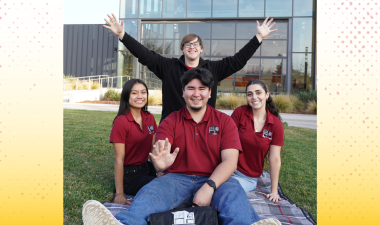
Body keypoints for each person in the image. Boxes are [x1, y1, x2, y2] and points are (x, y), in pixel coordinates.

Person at [82, 68, 281, 225]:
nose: (196, 94)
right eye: (191, 88)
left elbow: (231, 161)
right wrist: (161, 164)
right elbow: (160, 152)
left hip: (214, 177)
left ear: (209, 92)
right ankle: (123, 223)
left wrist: (210, 186)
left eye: (202, 89)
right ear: (183, 92)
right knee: (151, 192)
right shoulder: (171, 121)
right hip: (176, 178)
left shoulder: (224, 121)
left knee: (234, 194)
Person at [103, 13, 277, 122]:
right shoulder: (168, 66)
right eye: (187, 44)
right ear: (182, 48)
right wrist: (122, 35)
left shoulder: (212, 69)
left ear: (201, 48)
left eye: (196, 44)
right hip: (173, 127)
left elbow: (238, 60)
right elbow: (144, 54)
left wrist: (258, 38)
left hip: (203, 127)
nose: (192, 46)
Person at [230, 79, 284, 203]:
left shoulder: (275, 125)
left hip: (247, 177)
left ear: (267, 94)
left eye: (258, 92)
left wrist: (274, 191)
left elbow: (274, 159)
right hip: (227, 167)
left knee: (226, 190)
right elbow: (225, 140)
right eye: (249, 94)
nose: (254, 97)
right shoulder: (240, 112)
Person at [109, 79, 159, 205]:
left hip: (146, 167)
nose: (140, 96)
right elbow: (118, 159)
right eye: (134, 93)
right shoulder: (121, 122)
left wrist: (160, 172)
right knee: (159, 188)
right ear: (127, 95)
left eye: (143, 92)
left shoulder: (150, 117)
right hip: (130, 176)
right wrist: (120, 194)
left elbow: (153, 150)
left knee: (172, 178)